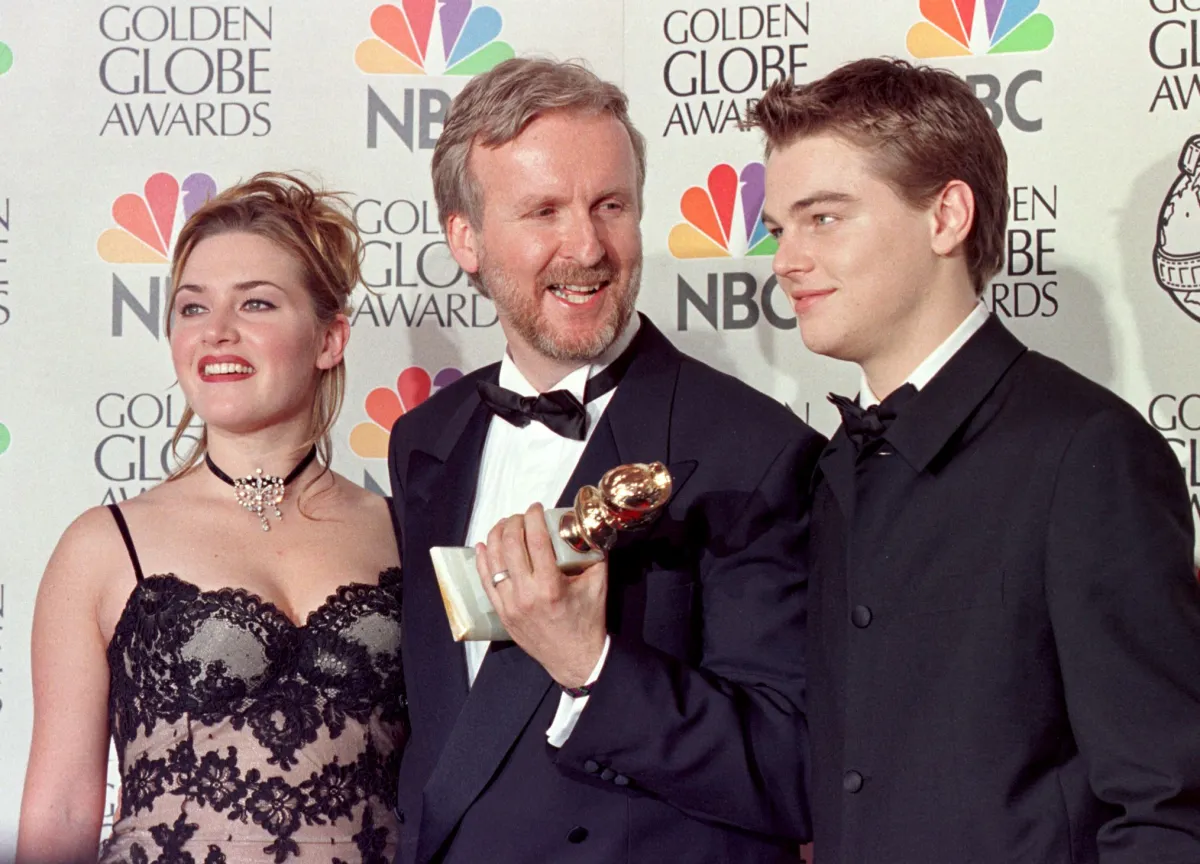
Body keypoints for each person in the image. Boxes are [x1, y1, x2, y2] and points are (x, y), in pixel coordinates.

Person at [751, 58, 1200, 863]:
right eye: (780, 229)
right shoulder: (833, 471)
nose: (786, 261)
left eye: (823, 219)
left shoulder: (1088, 453)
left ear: (947, 216)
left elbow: (1168, 803)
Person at [387, 58, 824, 864]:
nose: (586, 246)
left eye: (610, 206)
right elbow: (449, 738)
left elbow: (794, 768)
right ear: (466, 239)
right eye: (543, 210)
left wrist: (592, 665)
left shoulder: (754, 453)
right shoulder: (423, 440)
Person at [17, 173, 405, 864]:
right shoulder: (105, 546)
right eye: (192, 308)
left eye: (256, 303)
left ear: (329, 340)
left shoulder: (405, 531)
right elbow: (63, 807)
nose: (217, 332)